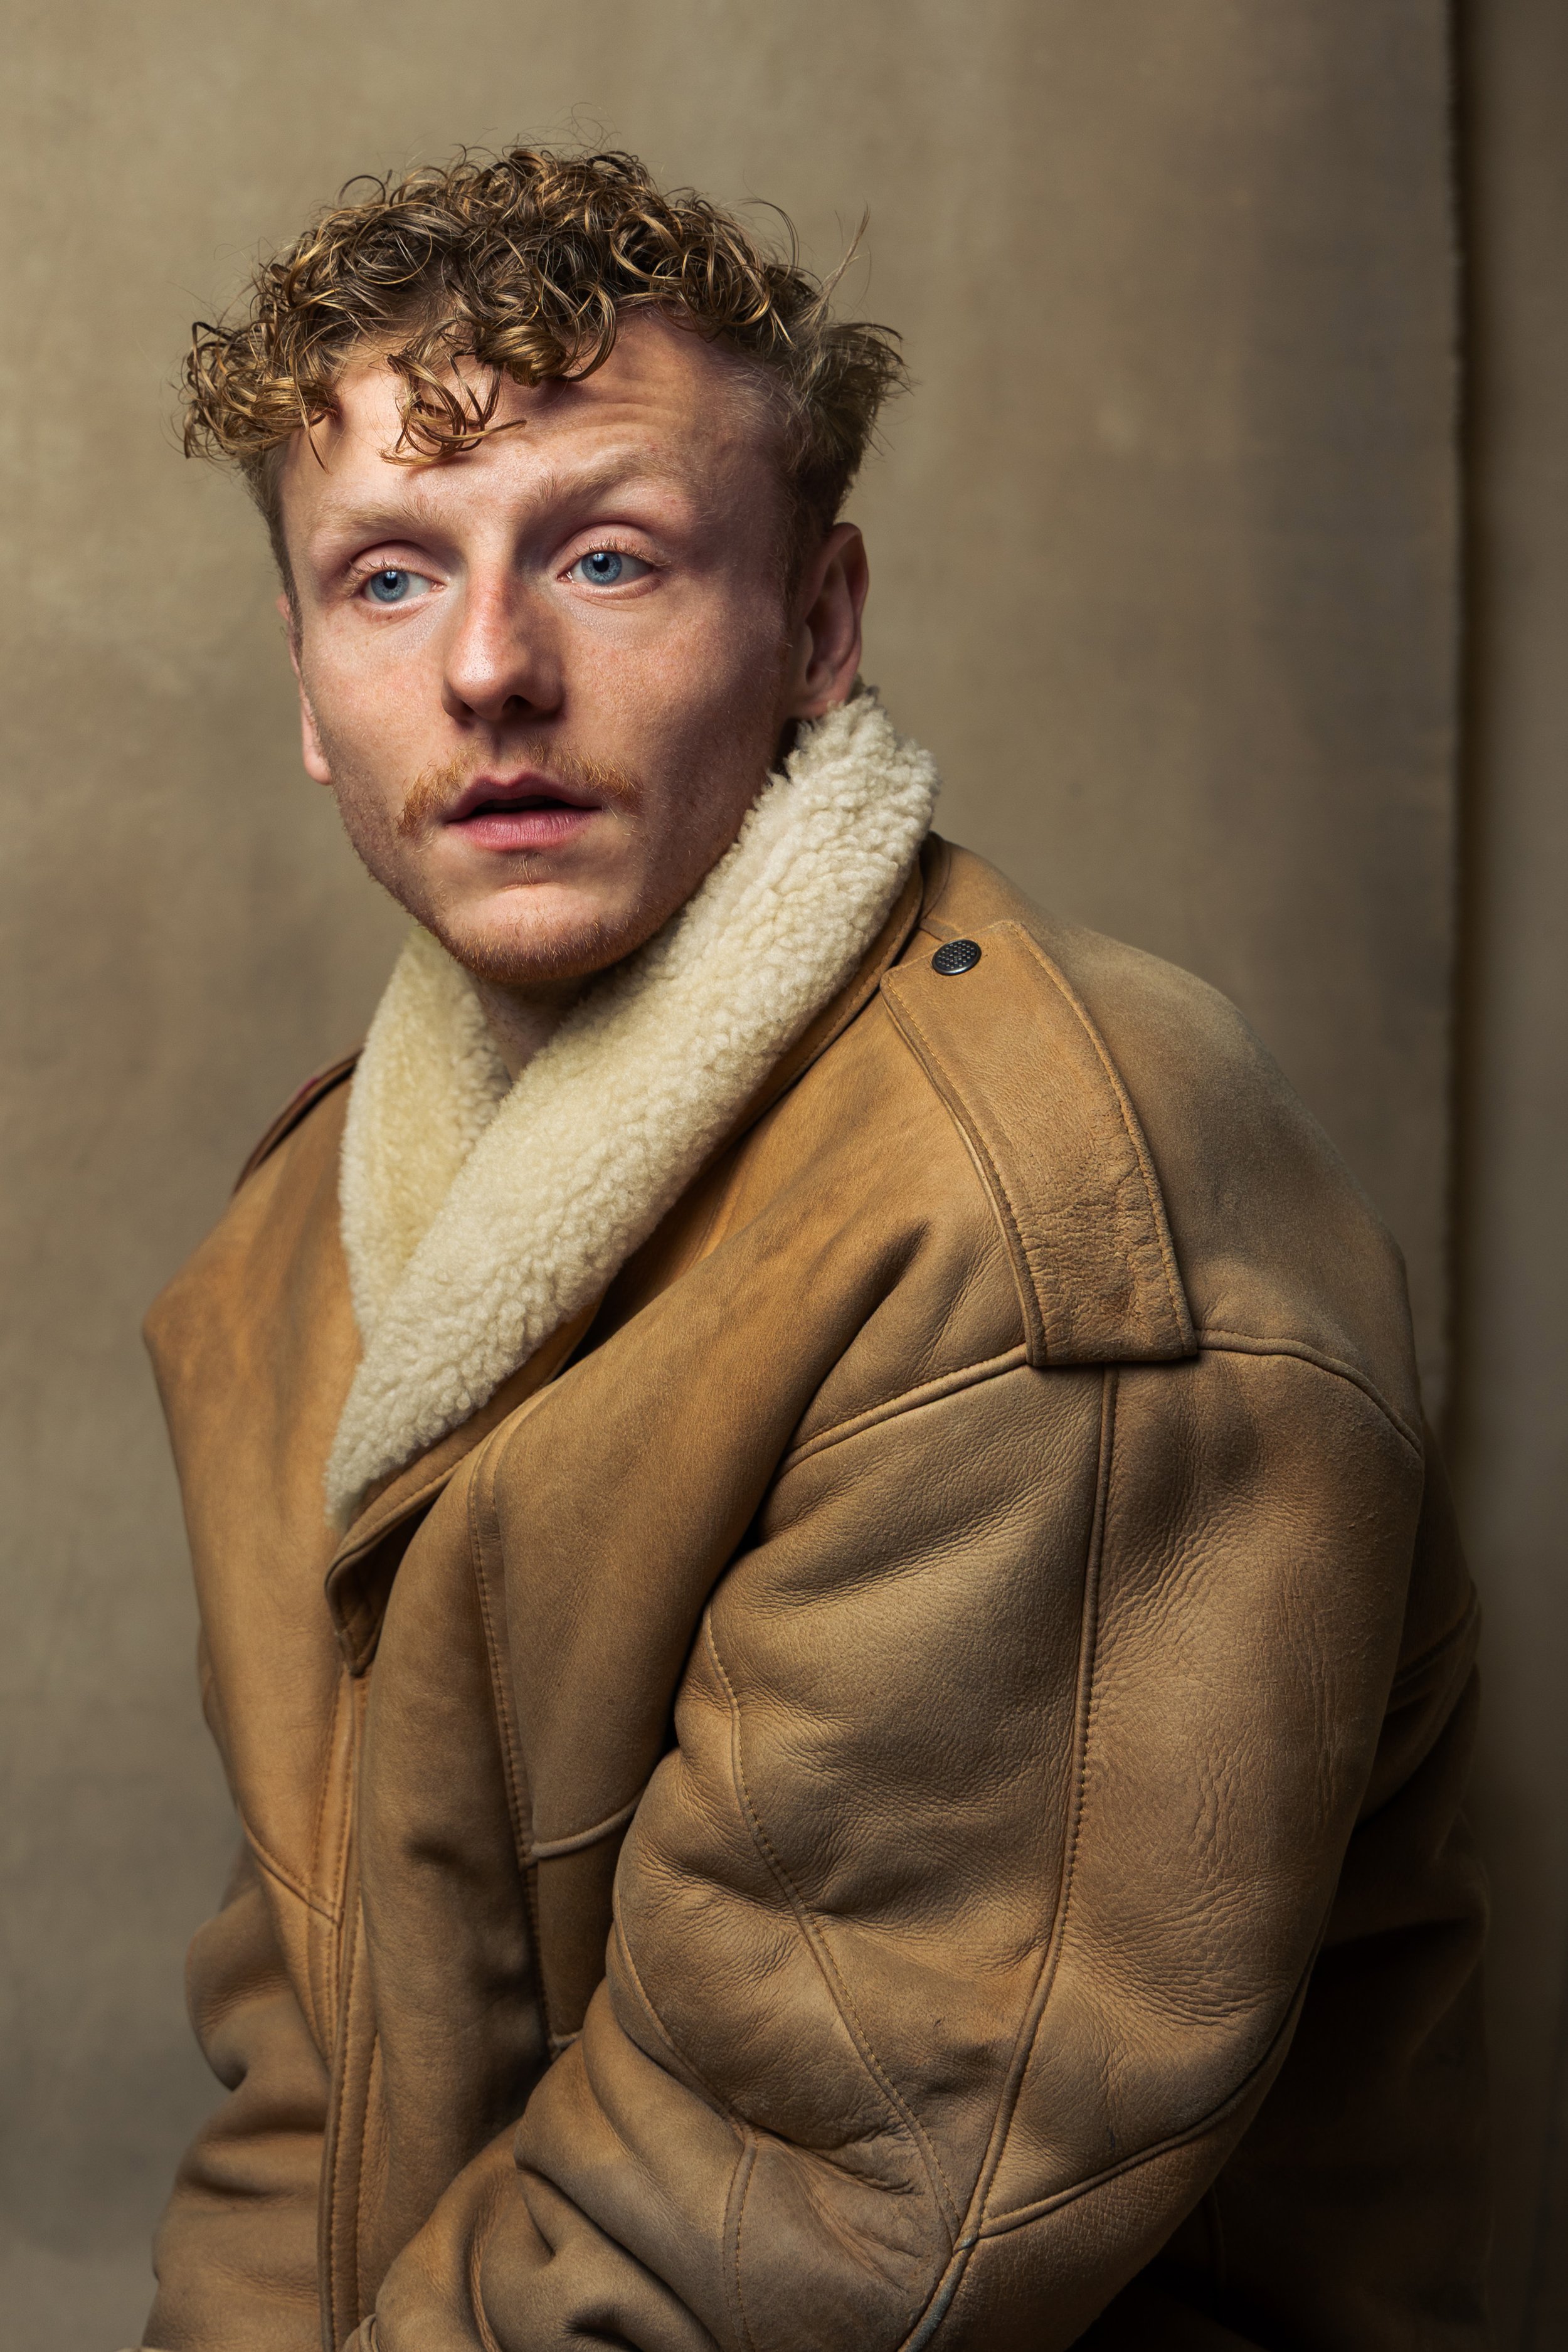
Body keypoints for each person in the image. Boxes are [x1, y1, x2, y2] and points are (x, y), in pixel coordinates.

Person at [139, 147, 1488, 2352]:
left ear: (818, 627)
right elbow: (312, 2067)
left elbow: (796, 2218)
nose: (487, 668)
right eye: (386, 577)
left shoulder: (1046, 1238)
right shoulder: (313, 1244)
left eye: (604, 556)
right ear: (305, 684)